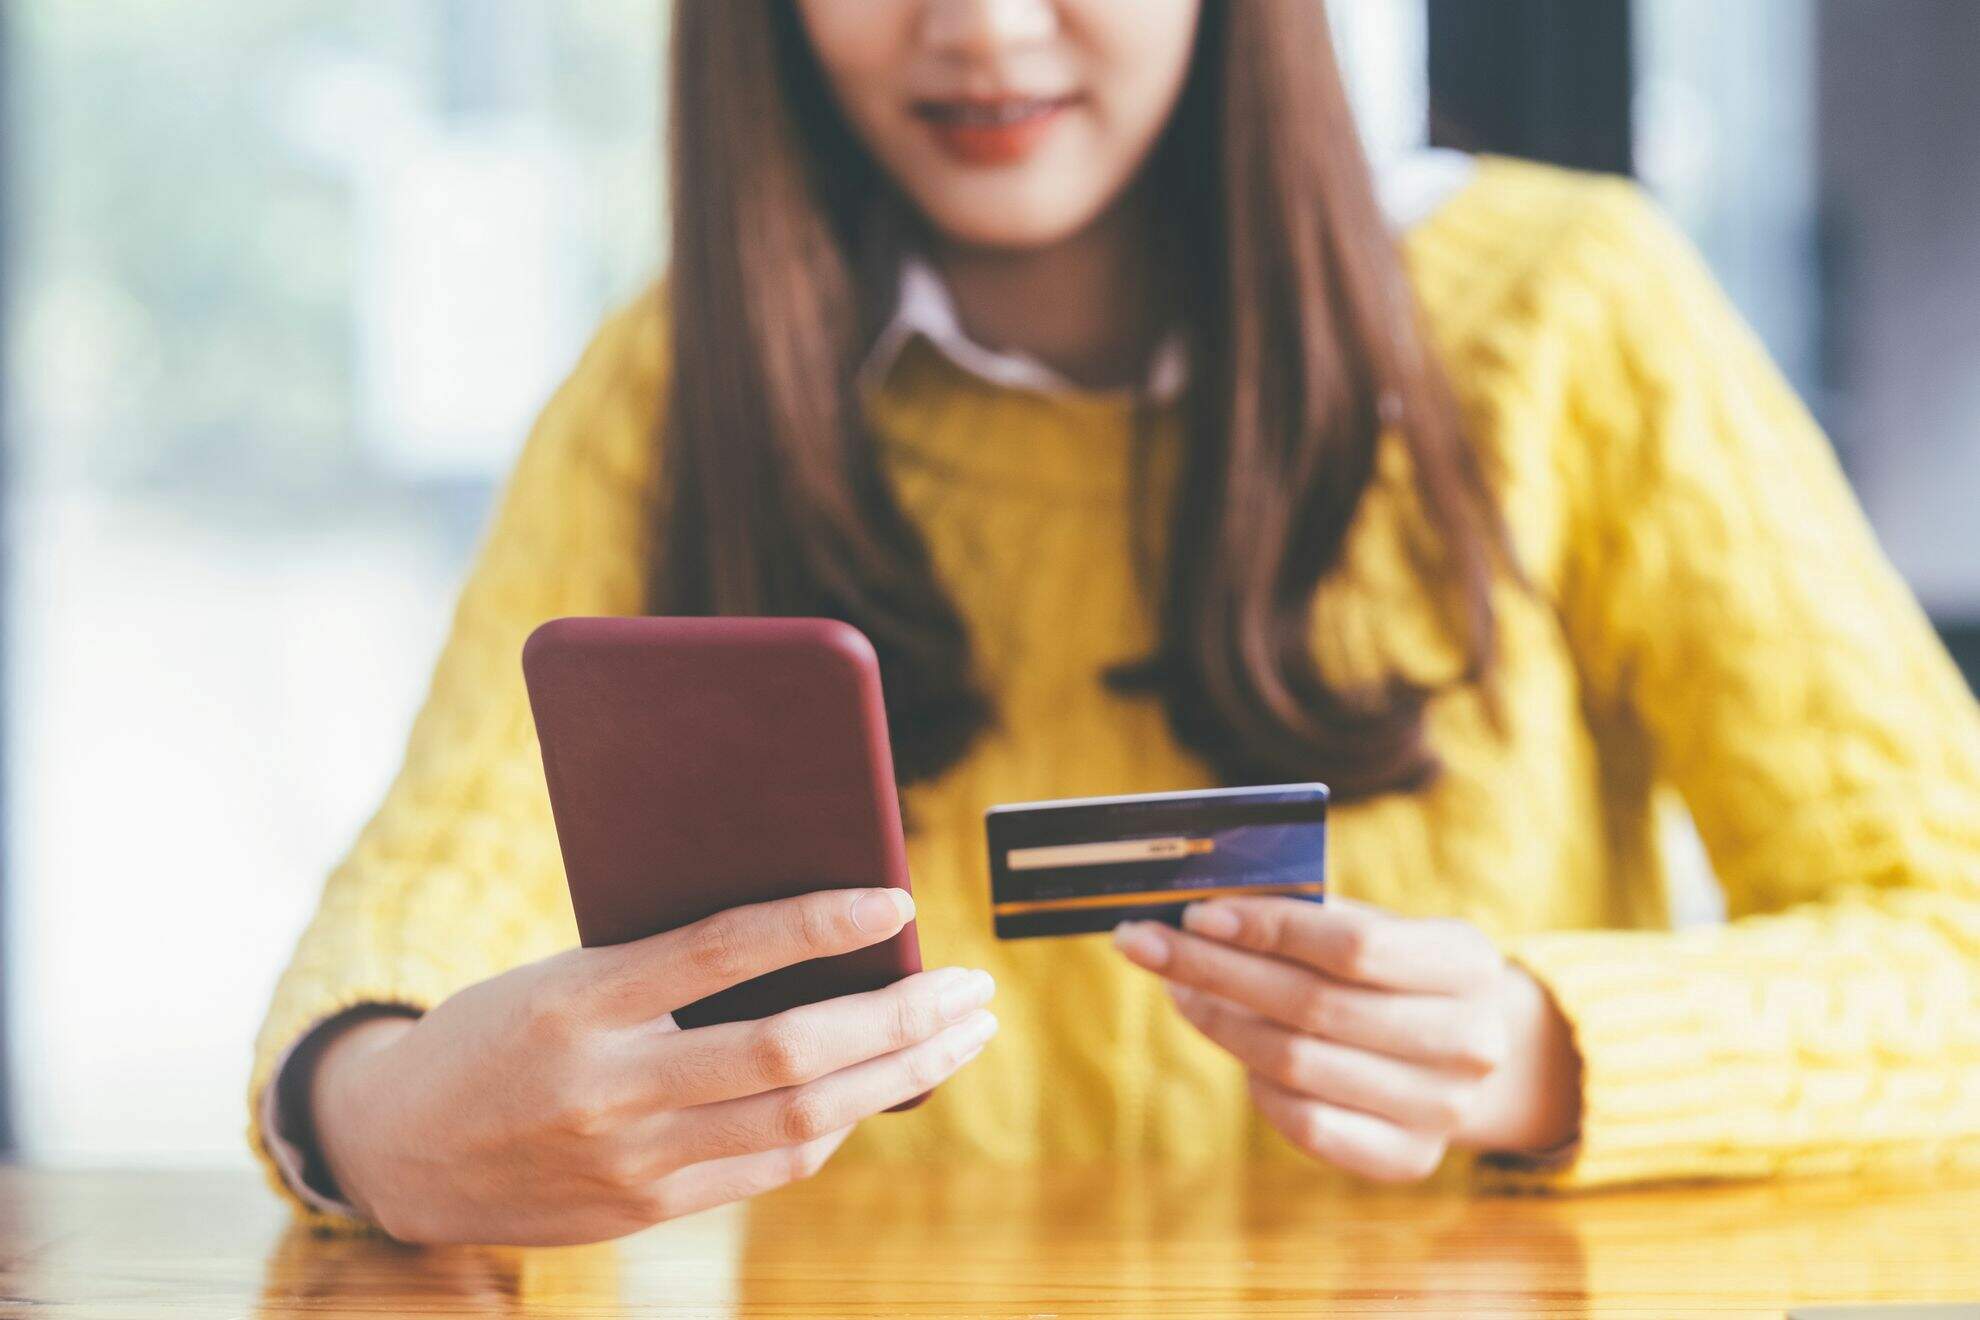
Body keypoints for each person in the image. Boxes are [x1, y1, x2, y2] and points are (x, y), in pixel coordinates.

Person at [249, 0, 1980, 1246]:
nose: (987, 32)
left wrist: (1536, 1050)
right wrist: (382, 1122)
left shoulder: (1578, 312)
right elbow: (410, 917)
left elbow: (1953, 945)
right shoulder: (669, 380)